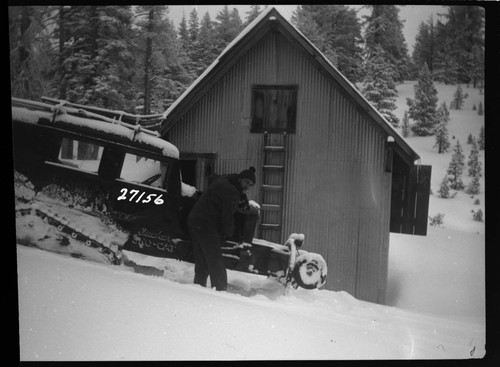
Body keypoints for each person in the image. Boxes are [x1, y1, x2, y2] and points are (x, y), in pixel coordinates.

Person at [187, 167, 256, 291]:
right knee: (215, 261)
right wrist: (229, 234)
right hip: (205, 224)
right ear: (240, 179)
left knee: (202, 260)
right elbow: (227, 217)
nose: (247, 187)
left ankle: (198, 288)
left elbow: (213, 178)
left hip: (195, 220)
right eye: (246, 182)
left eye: (250, 185)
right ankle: (221, 291)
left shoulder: (226, 179)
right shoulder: (232, 191)